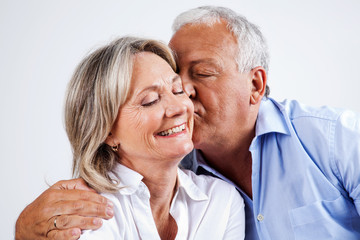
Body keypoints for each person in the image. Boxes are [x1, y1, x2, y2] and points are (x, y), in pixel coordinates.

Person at [15, 6, 360, 240]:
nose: (182, 99)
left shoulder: (337, 140)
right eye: (177, 80)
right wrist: (24, 230)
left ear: (255, 85)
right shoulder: (164, 160)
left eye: (203, 74)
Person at [20, 36, 246, 240]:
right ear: (106, 131)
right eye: (150, 100)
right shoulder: (87, 214)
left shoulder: (222, 200)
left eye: (178, 91)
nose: (179, 107)